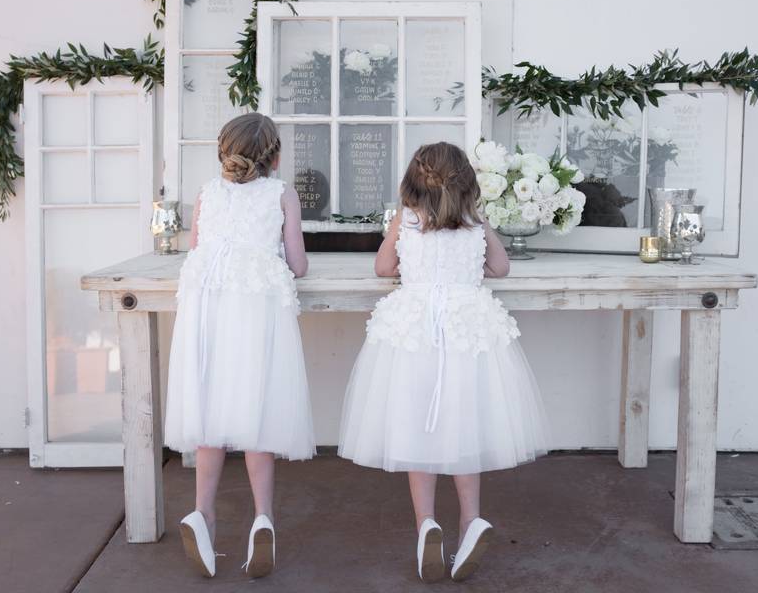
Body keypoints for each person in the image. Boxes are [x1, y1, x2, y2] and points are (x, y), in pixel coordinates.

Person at [338, 142, 551, 583]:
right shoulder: (475, 225)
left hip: (414, 331)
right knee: (463, 425)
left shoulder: (408, 221)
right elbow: (501, 268)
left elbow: (381, 268)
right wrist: (482, 228)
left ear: (413, 184)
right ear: (468, 183)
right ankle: (471, 521)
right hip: (465, 329)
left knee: (419, 428)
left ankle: (426, 526)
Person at [164, 113, 313, 579]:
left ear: (223, 153)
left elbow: (196, 247)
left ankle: (202, 514)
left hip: (207, 313)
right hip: (254, 312)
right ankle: (262, 518)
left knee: (210, 412)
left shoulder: (208, 194)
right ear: (275, 155)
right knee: (257, 413)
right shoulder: (281, 193)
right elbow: (298, 264)